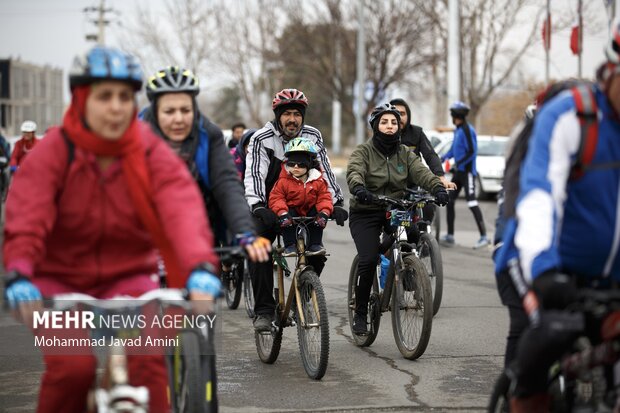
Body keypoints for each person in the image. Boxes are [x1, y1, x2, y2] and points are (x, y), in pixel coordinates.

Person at [2, 46, 221, 413]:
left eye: (124, 96)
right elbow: (27, 218)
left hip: (130, 280)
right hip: (61, 282)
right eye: (105, 96)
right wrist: (19, 272)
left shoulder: (147, 148)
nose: (117, 107)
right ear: (81, 99)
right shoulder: (54, 152)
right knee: (74, 369)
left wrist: (200, 266)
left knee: (150, 364)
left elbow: (181, 207)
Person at [494, 22, 620, 412]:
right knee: (547, 333)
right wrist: (546, 271)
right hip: (542, 262)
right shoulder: (572, 117)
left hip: (610, 276)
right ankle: (523, 394)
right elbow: (539, 196)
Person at [141, 66, 270, 262]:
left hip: (198, 224)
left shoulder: (209, 134)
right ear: (156, 112)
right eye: (169, 111)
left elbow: (227, 185)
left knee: (204, 285)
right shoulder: (134, 135)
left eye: (185, 110)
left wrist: (245, 232)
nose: (179, 119)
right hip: (146, 226)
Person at [244, 88, 348, 331]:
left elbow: (325, 172)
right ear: (278, 116)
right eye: (287, 114)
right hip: (271, 204)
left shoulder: (313, 136)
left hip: (303, 204)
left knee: (317, 252)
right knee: (259, 249)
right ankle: (264, 311)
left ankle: (303, 289)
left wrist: (337, 202)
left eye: (297, 114)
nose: (293, 119)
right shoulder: (262, 138)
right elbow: (254, 175)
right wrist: (258, 206)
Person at [346, 103, 453, 335]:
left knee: (413, 235)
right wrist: (359, 188)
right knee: (368, 258)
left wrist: (437, 188)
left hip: (394, 208)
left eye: (393, 122)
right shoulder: (363, 151)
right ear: (375, 125)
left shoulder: (405, 152)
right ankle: (361, 313)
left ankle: (407, 272)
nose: (389, 126)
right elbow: (354, 171)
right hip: (366, 210)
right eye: (384, 122)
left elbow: (421, 172)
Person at [390, 97, 448, 240]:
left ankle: (424, 238)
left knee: (428, 203)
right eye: (395, 113)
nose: (399, 117)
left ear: (408, 115)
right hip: (389, 185)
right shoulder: (384, 133)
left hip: (414, 183)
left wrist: (440, 176)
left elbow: (430, 155)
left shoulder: (417, 133)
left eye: (402, 113)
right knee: (389, 230)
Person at [268, 137, 333, 256]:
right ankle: (290, 245)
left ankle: (315, 244)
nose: (296, 167)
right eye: (292, 164)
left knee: (317, 216)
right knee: (288, 217)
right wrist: (282, 213)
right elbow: (276, 198)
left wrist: (324, 212)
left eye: (301, 164)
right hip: (290, 215)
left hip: (310, 215)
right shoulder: (283, 181)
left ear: (309, 164)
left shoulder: (318, 181)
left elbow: (324, 198)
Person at [440, 101, 489, 249]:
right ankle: (450, 235)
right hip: (459, 172)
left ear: (456, 115)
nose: (452, 117)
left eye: (452, 114)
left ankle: (484, 237)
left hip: (467, 172)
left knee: (472, 202)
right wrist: (443, 157)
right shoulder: (458, 130)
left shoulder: (468, 130)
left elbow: (472, 151)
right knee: (450, 200)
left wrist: (458, 162)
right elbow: (454, 150)